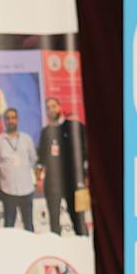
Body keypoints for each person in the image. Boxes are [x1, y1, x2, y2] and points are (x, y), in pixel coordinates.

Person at [37, 97, 88, 235]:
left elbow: (86, 153)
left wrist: (86, 176)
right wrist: (39, 179)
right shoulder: (46, 132)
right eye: (47, 107)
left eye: (53, 106)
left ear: (60, 107)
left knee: (78, 219)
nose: (51, 110)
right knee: (54, 221)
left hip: (74, 181)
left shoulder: (75, 127)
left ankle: (83, 247)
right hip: (53, 184)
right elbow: (41, 158)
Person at [0, 108, 37, 230]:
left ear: (17, 120)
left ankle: (31, 249)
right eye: (8, 118)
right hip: (7, 190)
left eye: (13, 118)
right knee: (9, 225)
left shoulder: (27, 139)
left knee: (28, 225)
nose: (11, 121)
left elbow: (33, 160)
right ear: (4, 121)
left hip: (26, 189)